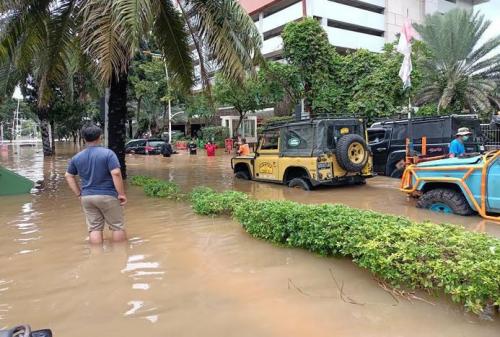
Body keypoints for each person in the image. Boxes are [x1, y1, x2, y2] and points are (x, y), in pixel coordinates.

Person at [65, 124, 127, 244]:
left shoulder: (77, 157)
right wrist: (121, 194)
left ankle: (96, 257)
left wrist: (79, 194)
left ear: (84, 139)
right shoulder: (108, 154)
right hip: (108, 195)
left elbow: (68, 175)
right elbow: (116, 173)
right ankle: (119, 256)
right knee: (117, 226)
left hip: (87, 197)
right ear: (100, 137)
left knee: (94, 228)